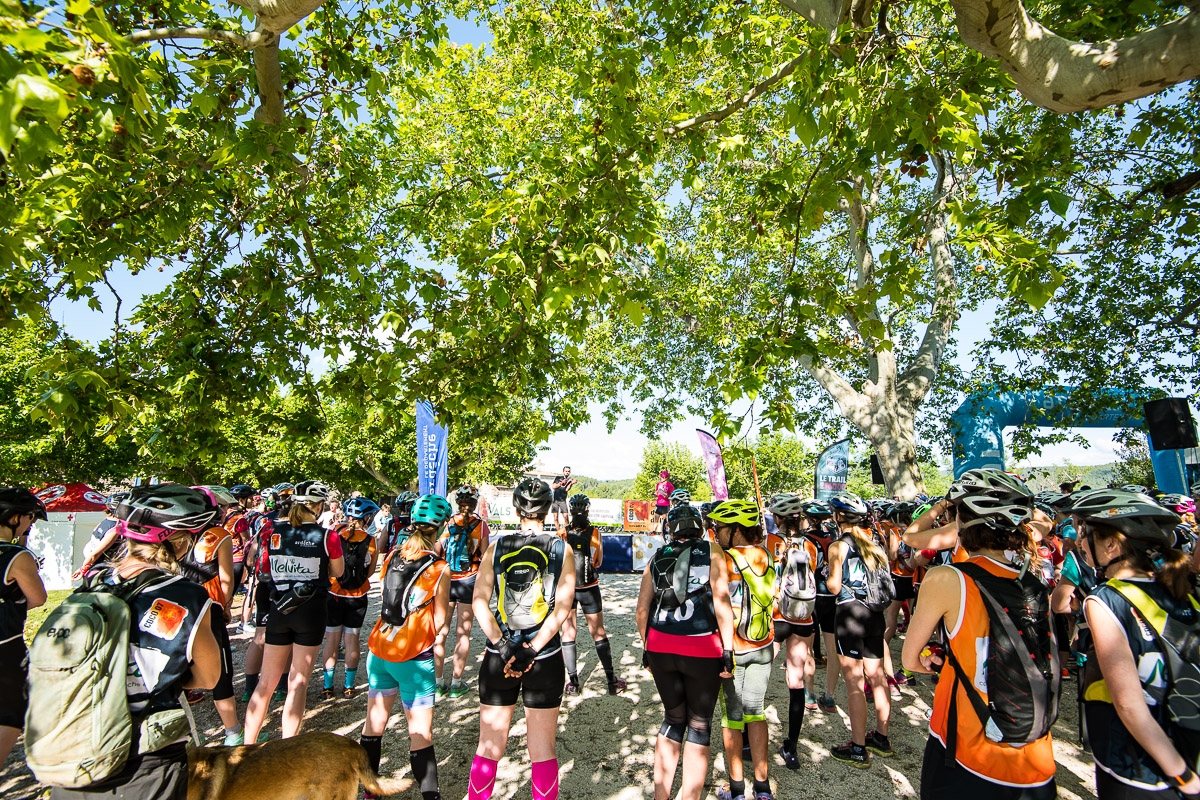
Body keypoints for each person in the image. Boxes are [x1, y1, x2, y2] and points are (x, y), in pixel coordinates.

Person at [49, 484, 221, 800]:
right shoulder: (186, 595)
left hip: (74, 745)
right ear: (178, 540)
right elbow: (209, 677)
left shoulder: (94, 584)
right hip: (144, 758)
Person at [901, 469, 1057, 799]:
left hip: (966, 747)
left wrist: (937, 661)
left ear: (964, 522)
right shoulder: (1034, 581)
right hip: (1034, 754)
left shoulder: (946, 578)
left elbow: (910, 659)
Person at [1076, 489, 1200, 800]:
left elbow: (1129, 704)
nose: (1079, 543)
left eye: (1085, 534)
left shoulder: (1105, 599)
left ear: (1111, 544)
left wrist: (1182, 775)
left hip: (1141, 765)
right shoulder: (1181, 589)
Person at [466, 477, 575, 800]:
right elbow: (563, 608)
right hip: (544, 657)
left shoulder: (497, 545)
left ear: (516, 508)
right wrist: (530, 650)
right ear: (547, 509)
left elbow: (479, 602)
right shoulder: (561, 547)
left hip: (498, 655)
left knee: (488, 746)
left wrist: (504, 646)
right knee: (542, 750)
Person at [636, 503, 734, 800]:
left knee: (672, 719)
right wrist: (728, 650)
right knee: (699, 723)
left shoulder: (657, 556)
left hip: (660, 645)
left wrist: (646, 647)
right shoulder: (713, 551)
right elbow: (722, 603)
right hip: (702, 646)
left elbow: (642, 610)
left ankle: (661, 795)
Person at [360, 493, 452, 800]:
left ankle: (370, 792)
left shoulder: (392, 555)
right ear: (440, 529)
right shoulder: (439, 568)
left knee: (373, 726)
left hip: (380, 650)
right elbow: (439, 623)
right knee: (420, 735)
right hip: (413, 657)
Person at [243, 480, 345, 743]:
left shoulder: (272, 530)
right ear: (319, 506)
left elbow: (258, 562)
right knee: (297, 682)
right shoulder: (327, 536)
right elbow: (337, 572)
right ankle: (288, 746)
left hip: (279, 607)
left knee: (265, 683)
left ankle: (246, 745)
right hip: (311, 609)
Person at [710, 499, 778, 800]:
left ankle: (737, 789)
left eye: (720, 528)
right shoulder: (765, 554)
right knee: (757, 713)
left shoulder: (723, 559)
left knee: (732, 720)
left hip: (733, 648)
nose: (715, 533)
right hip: (763, 645)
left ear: (736, 530)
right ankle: (762, 788)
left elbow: (720, 604)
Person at [825, 491, 893, 767]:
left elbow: (834, 586)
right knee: (877, 676)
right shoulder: (874, 544)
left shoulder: (838, 546)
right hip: (875, 615)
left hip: (850, 615)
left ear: (839, 517)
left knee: (854, 683)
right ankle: (881, 737)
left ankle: (857, 747)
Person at [178, 486, 239, 744]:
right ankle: (233, 732)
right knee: (221, 668)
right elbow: (226, 579)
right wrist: (225, 606)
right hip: (208, 605)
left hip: (179, 604)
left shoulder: (176, 534)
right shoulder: (219, 535)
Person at [767, 493, 819, 770]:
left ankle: (748, 740)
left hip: (776, 616)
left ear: (778, 518)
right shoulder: (809, 545)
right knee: (795, 683)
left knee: (760, 676)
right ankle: (792, 747)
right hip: (804, 618)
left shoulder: (769, 542)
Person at [0, 488, 47, 766]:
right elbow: (38, 598)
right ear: (15, 518)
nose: (31, 523)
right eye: (31, 517)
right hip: (6, 649)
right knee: (9, 715)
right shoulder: (17, 556)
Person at [561, 493, 626, 695]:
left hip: (569, 589)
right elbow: (598, 562)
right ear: (588, 510)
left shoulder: (562, 533)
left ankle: (573, 683)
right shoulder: (595, 532)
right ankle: (610, 681)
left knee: (569, 632)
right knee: (598, 632)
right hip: (589, 588)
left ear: (570, 511)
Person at [320, 496, 380, 699]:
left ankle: (327, 687)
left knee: (331, 639)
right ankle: (349, 686)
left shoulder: (334, 533)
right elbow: (370, 572)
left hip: (334, 592)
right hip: (358, 594)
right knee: (352, 639)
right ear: (366, 518)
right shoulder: (371, 540)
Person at [435, 485, 490, 698]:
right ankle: (457, 683)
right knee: (463, 633)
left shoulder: (448, 523)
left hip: (447, 580)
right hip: (469, 581)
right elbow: (485, 557)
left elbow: (438, 551)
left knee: (441, 631)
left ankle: (438, 683)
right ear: (475, 504)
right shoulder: (481, 525)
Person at [802, 498, 840, 710]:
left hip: (813, 595)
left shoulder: (807, 540)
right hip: (832, 596)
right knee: (832, 648)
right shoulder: (833, 538)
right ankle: (830, 695)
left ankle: (809, 693)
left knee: (808, 646)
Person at [551, 466, 576, 535]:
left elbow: (567, 489)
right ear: (563, 471)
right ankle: (558, 532)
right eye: (566, 471)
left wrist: (571, 483)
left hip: (562, 500)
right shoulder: (558, 478)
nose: (567, 472)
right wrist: (561, 483)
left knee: (566, 517)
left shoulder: (569, 480)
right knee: (555, 517)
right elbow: (553, 487)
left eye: (568, 471)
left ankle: (566, 532)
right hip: (555, 500)